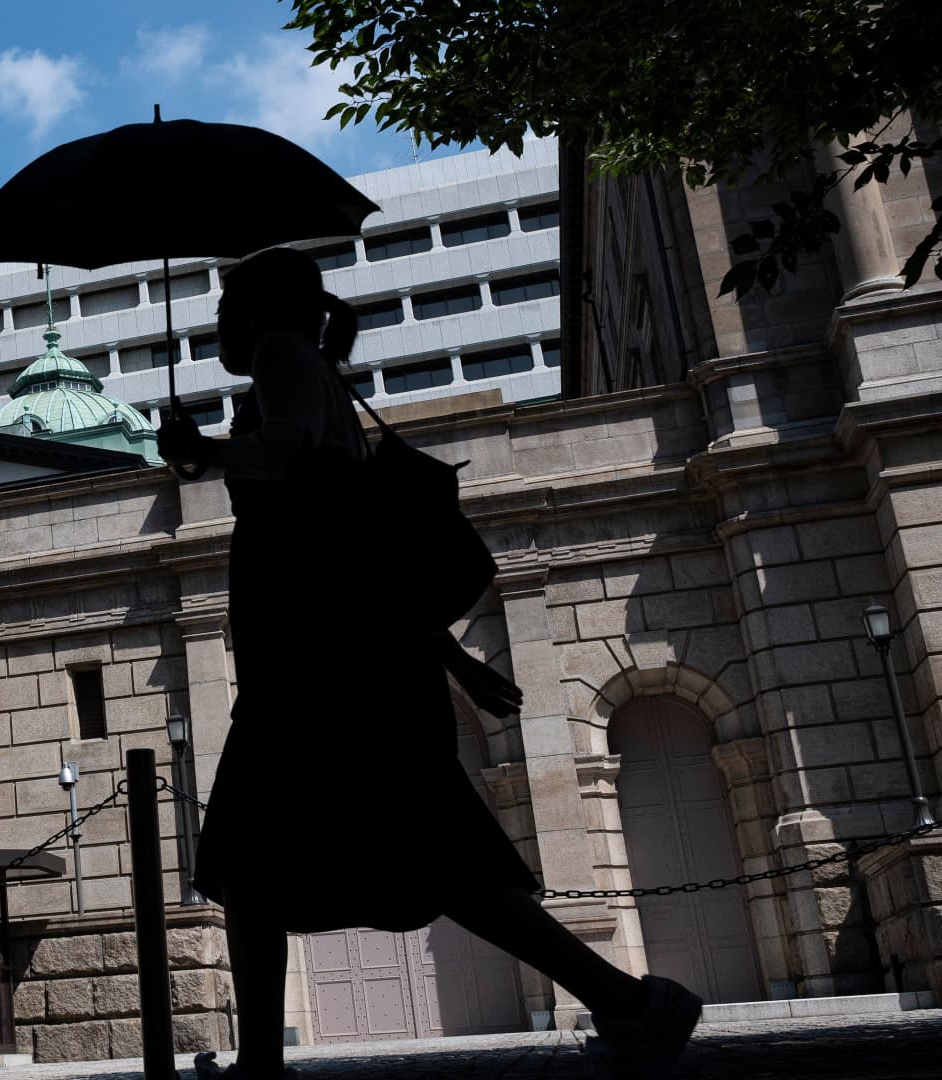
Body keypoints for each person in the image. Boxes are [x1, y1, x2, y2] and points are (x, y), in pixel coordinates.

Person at [154, 248, 701, 1080]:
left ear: (259, 313)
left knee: (284, 855)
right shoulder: (308, 371)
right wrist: (450, 658)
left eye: (226, 311)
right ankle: (627, 1003)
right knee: (334, 858)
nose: (217, 328)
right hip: (336, 667)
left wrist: (208, 453)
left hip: (321, 680)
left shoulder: (283, 355)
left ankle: (629, 1002)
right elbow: (354, 546)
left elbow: (298, 463)